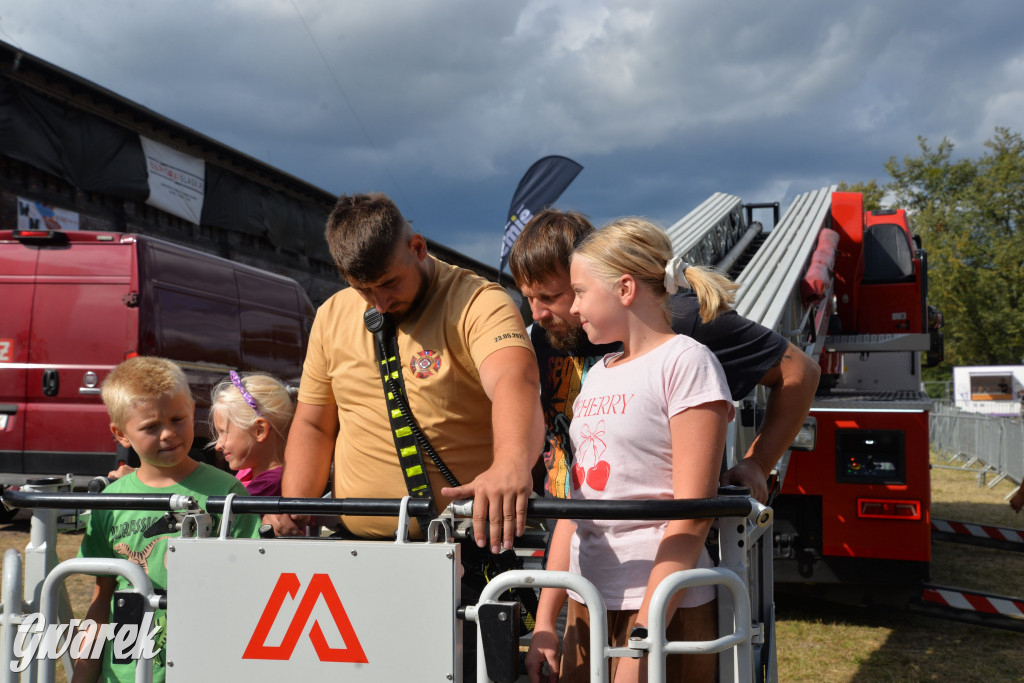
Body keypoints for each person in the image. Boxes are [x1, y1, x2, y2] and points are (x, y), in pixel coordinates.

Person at [531, 217, 735, 682]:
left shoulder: (686, 361)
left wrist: (640, 647)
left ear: (625, 289)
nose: (573, 305)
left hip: (665, 610)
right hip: (588, 602)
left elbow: (693, 513)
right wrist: (546, 619)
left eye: (580, 291)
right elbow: (576, 504)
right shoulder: (599, 370)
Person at [509, 208, 820, 505]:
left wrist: (757, 463)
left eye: (551, 296)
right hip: (570, 532)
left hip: (662, 539)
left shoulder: (681, 323)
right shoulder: (547, 334)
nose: (537, 314)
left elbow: (799, 372)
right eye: (529, 298)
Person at [73, 356, 260, 683]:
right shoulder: (110, 502)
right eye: (150, 427)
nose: (168, 434)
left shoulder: (227, 492)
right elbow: (102, 596)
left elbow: (250, 587)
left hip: (203, 666)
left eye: (178, 419)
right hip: (127, 671)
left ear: (192, 410)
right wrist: (84, 672)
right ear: (121, 434)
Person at [210, 371, 295, 496]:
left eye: (224, 432)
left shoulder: (269, 486)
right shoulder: (248, 472)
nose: (218, 445)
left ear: (259, 431)